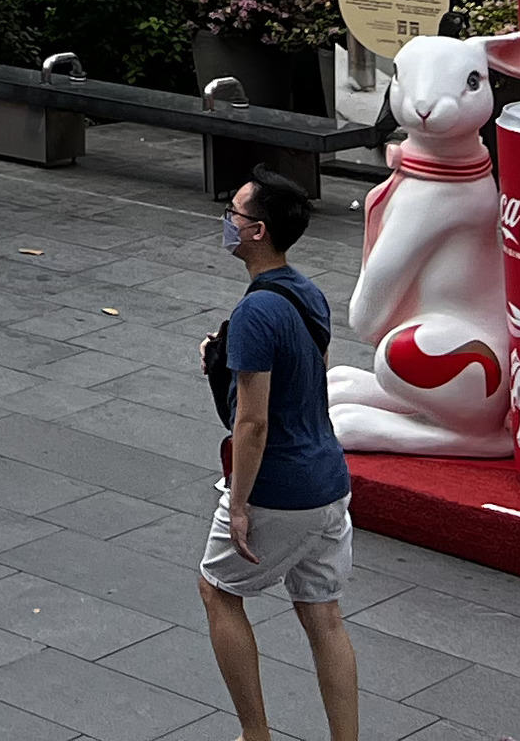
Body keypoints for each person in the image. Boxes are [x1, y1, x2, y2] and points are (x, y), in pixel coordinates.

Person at [199, 176, 359, 741]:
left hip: (281, 487)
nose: (227, 220)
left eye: (234, 212)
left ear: (257, 231)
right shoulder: (307, 293)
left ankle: (254, 735)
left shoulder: (254, 314)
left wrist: (239, 503)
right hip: (329, 480)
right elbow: (309, 371)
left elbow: (254, 419)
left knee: (218, 590)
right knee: (323, 616)